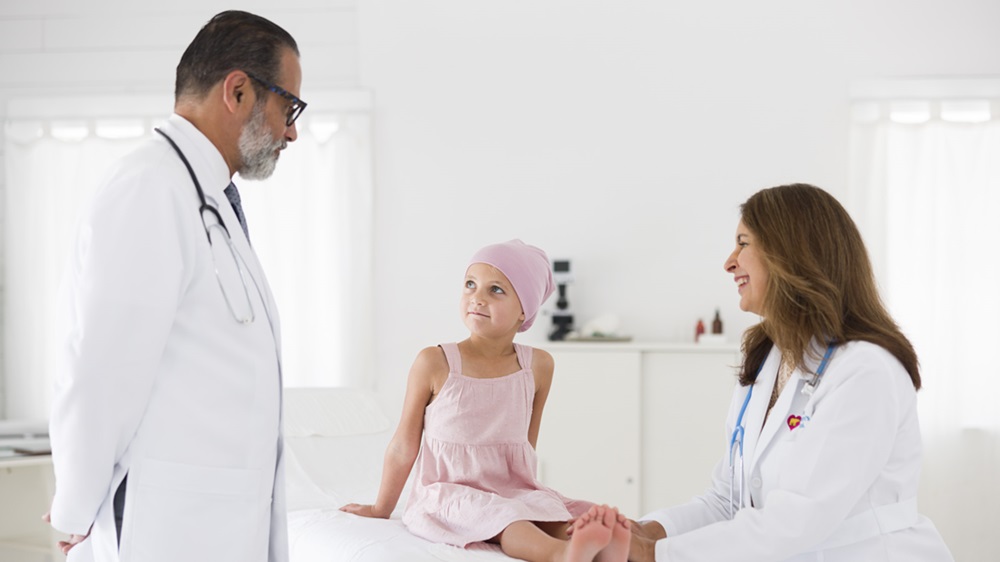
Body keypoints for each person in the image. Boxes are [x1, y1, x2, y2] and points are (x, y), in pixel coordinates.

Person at [45, 10, 305, 562]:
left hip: (212, 521)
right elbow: (100, 368)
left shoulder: (207, 197)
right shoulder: (150, 187)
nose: (292, 131)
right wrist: (73, 511)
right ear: (238, 90)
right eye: (289, 107)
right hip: (165, 527)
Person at [628, 184, 954, 561]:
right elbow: (729, 499)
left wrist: (654, 554)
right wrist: (647, 530)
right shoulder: (769, 359)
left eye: (743, 243)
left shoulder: (865, 370)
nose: (729, 262)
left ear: (789, 255)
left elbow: (795, 520)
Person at [340, 239, 631, 562]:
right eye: (470, 284)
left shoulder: (538, 366)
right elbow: (402, 446)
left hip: (513, 489)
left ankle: (603, 548)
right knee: (508, 519)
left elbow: (524, 445)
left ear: (525, 310)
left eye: (496, 290)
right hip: (448, 494)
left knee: (562, 512)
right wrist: (382, 508)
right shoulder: (435, 362)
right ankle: (562, 556)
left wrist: (533, 498)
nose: (477, 297)